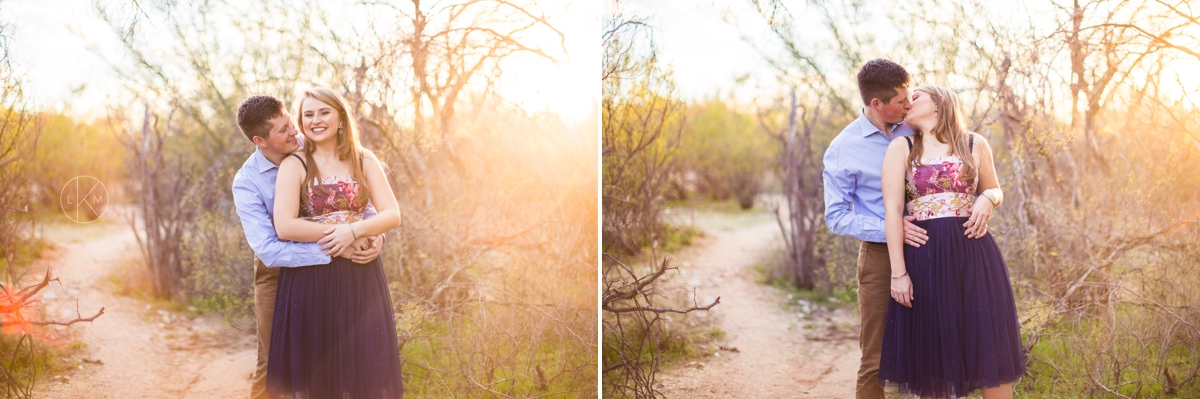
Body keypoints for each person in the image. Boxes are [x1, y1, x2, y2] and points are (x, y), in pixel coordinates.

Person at [231, 95, 385, 399]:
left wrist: (374, 233)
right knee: (274, 365)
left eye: (290, 121)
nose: (294, 132)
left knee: (336, 356)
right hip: (281, 268)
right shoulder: (247, 182)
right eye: (282, 130)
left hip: (342, 266)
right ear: (260, 140)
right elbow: (269, 249)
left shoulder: (312, 144)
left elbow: (355, 197)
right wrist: (338, 246)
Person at [878, 84, 1024, 398]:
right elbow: (892, 212)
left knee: (988, 345)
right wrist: (898, 274)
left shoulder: (974, 142)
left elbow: (995, 189)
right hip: (924, 260)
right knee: (935, 355)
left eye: (915, 97)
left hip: (975, 257)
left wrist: (988, 199)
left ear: (939, 103)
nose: (907, 103)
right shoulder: (902, 147)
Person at [266, 87, 404, 398]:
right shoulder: (295, 164)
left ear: (340, 116)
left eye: (323, 112)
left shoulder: (363, 158)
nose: (316, 120)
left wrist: (354, 233)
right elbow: (285, 226)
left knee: (362, 368)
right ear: (301, 122)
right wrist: (341, 231)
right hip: (312, 276)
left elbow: (392, 214)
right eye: (308, 114)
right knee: (318, 371)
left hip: (360, 275)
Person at [823, 58, 931, 399]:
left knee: (932, 350)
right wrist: (891, 227)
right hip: (879, 256)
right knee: (876, 360)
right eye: (901, 101)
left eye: (911, 96)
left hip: (931, 246)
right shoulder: (844, 149)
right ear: (876, 104)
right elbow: (836, 216)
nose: (909, 104)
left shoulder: (917, 127)